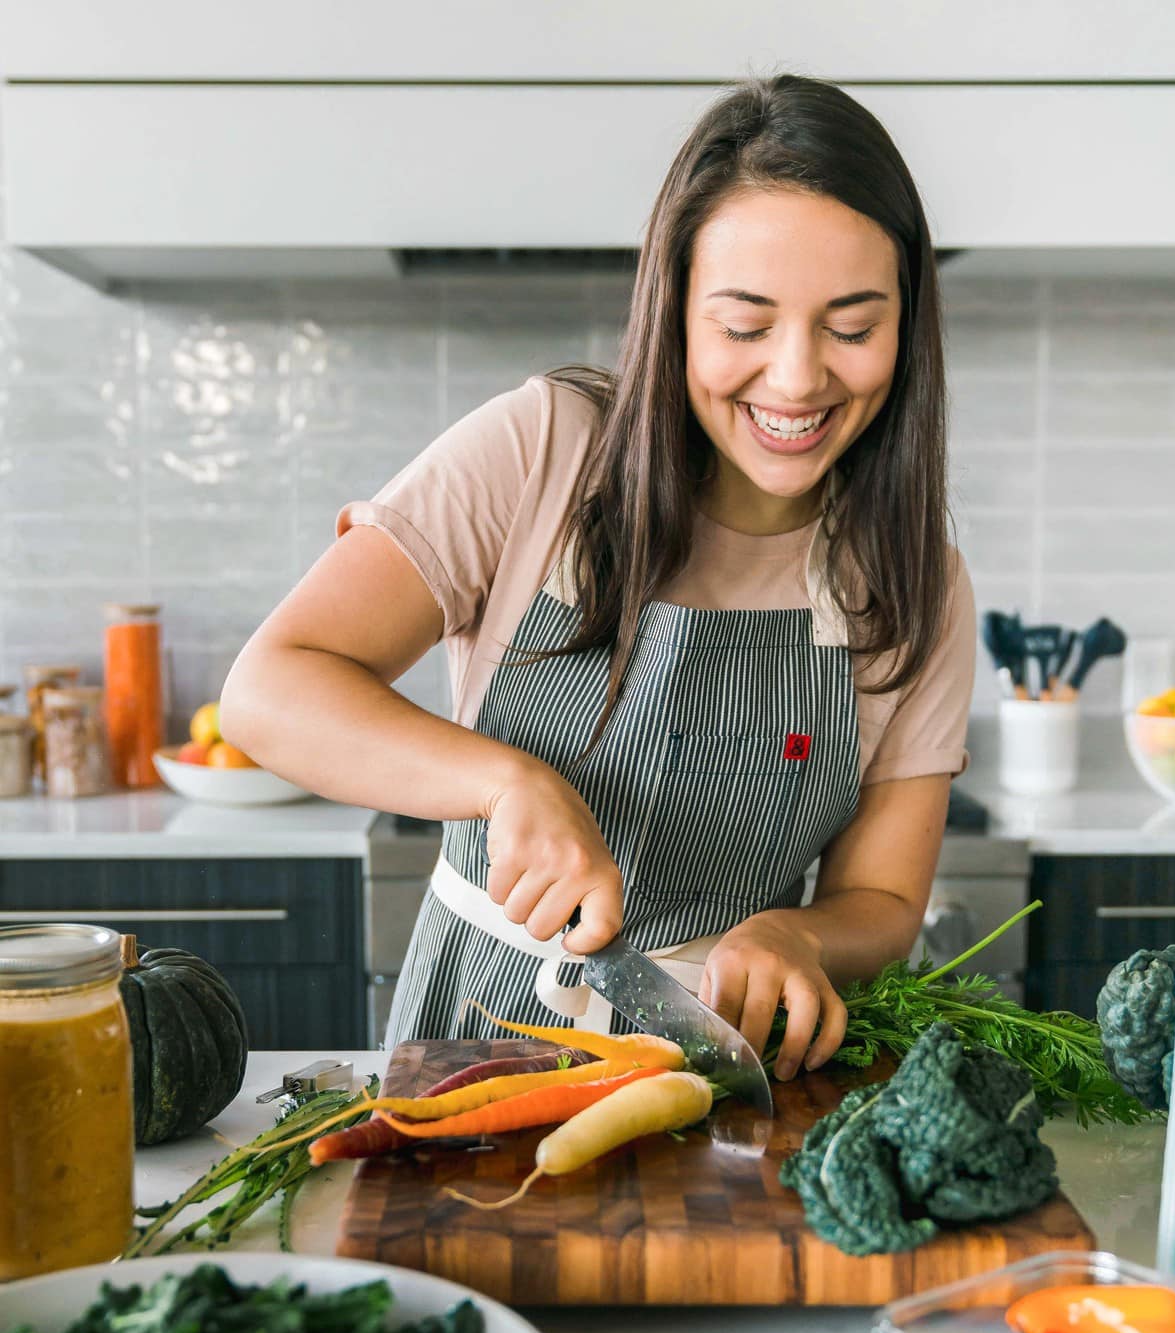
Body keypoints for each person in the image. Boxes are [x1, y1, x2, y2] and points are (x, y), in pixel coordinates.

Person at [220, 73, 975, 1081]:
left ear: (906, 326)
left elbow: (882, 900)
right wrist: (506, 784)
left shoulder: (912, 580)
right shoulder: (544, 449)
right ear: (674, 312)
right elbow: (270, 690)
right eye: (744, 326)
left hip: (714, 1062)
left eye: (850, 327)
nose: (797, 378)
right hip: (475, 1041)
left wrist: (798, 937)